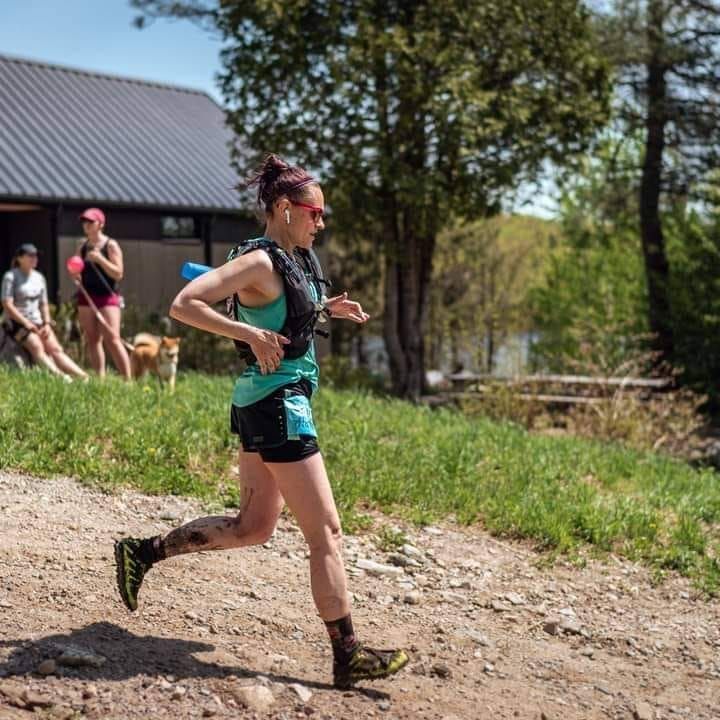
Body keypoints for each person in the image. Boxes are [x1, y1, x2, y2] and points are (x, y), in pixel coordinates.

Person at [114, 154, 409, 689]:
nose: (321, 221)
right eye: (314, 212)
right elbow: (184, 303)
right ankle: (349, 656)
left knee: (252, 528)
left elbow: (280, 308)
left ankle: (144, 552)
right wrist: (247, 334)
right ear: (282, 207)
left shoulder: (291, 260)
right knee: (326, 532)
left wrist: (326, 310)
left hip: (260, 402)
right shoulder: (259, 262)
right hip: (280, 407)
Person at [1, 243, 88, 381]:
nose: (34, 258)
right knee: (37, 347)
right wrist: (26, 323)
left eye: (36, 255)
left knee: (55, 349)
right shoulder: (10, 277)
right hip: (16, 322)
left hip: (38, 322)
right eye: (30, 255)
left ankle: (83, 377)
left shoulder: (39, 278)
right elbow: (7, 304)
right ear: (19, 258)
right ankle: (63, 379)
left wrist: (47, 323)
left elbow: (43, 304)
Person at [73, 208, 131, 379]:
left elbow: (118, 273)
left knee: (112, 338)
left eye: (91, 222)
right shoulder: (82, 246)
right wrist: (75, 273)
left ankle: (127, 380)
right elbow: (77, 268)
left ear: (101, 224)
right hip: (87, 296)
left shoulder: (110, 245)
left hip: (107, 297)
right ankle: (100, 378)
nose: (87, 225)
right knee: (92, 339)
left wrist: (100, 259)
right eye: (85, 222)